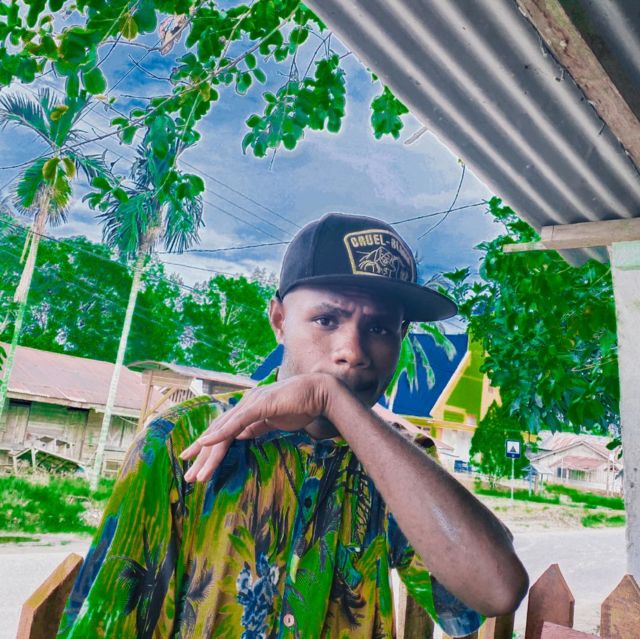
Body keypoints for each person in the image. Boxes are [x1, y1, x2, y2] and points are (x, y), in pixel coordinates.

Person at [57, 213, 528, 638]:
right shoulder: (183, 437)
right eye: (326, 319)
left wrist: (332, 399)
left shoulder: (401, 462)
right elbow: (107, 620)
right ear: (279, 320)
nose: (353, 351)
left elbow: (495, 592)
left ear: (401, 337)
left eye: (380, 329)